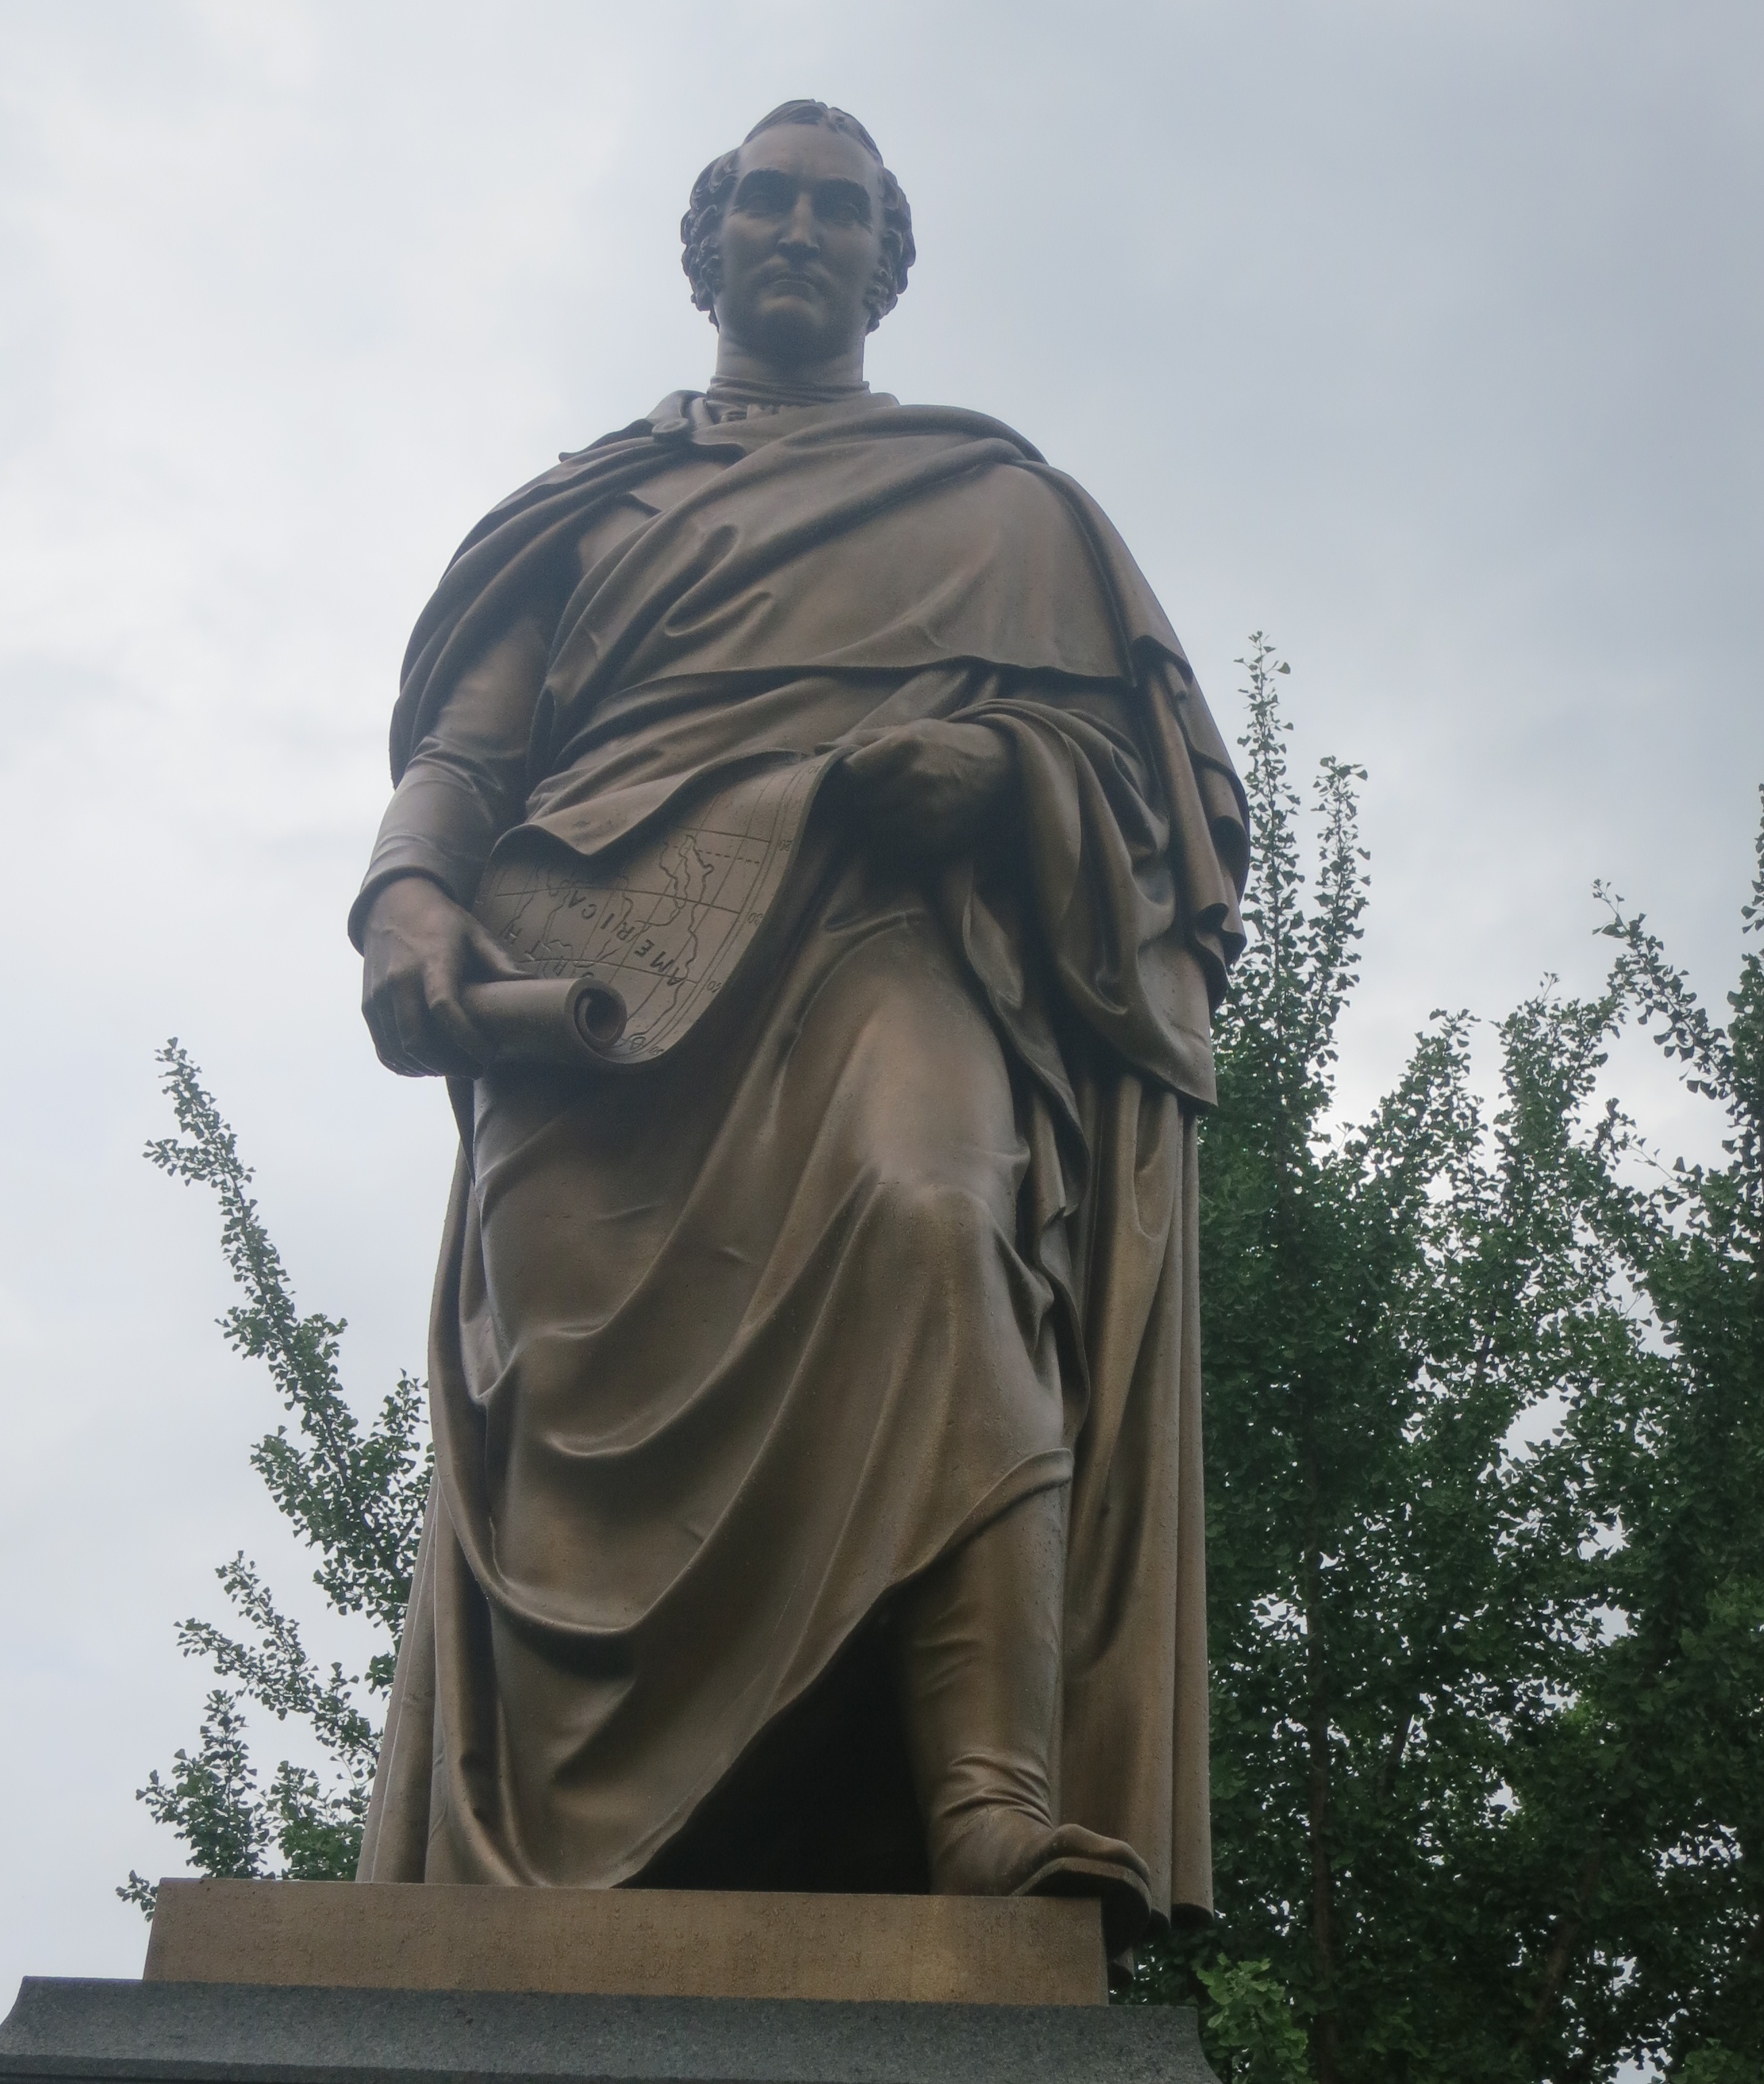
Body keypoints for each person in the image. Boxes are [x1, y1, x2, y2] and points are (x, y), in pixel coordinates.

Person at [348, 101, 1246, 1960]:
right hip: (606, 1003)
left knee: (938, 1214)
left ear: (883, 264)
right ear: (708, 248)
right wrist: (408, 897)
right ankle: (551, 1878)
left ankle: (989, 1805)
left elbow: (1169, 825)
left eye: (839, 210)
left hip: (873, 950)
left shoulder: (1002, 511)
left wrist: (999, 767)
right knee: (564, 1386)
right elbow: (466, 758)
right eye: (765, 200)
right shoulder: (596, 508)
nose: (798, 229)